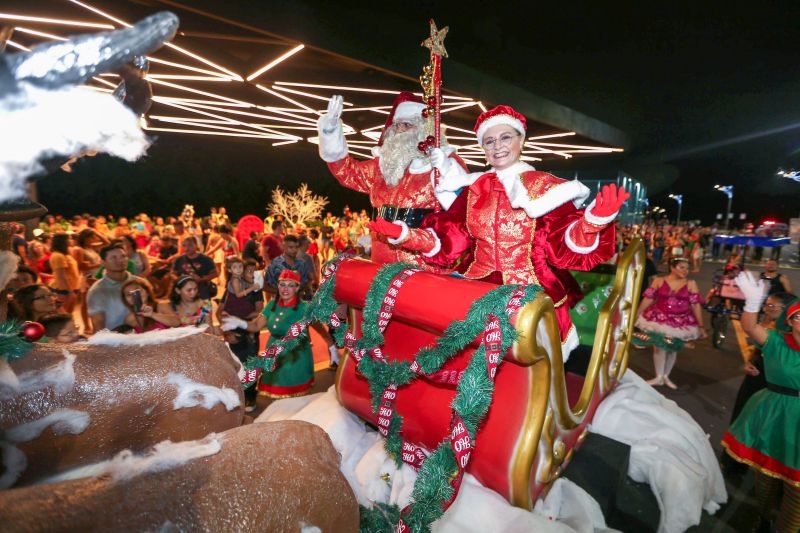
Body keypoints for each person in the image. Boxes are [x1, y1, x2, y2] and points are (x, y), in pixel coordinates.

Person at [369, 105, 626, 354]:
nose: (497, 146)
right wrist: (404, 234)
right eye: (489, 141)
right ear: (483, 148)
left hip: (529, 291)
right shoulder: (474, 188)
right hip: (474, 285)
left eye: (505, 137)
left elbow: (563, 243)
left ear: (520, 140)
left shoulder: (546, 189)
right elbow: (449, 240)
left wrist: (592, 223)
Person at [317, 92, 468, 266]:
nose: (400, 130)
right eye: (396, 126)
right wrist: (330, 132)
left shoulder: (445, 163)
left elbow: (460, 218)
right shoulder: (382, 167)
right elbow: (347, 172)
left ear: (424, 130)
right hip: (379, 264)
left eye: (407, 125)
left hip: (422, 268)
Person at [724, 272, 800, 532]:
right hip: (776, 413)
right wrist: (753, 305)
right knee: (766, 475)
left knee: (797, 488)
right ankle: (765, 517)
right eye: (798, 316)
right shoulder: (777, 341)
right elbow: (749, 327)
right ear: (789, 321)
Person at [239, 269, 314, 398]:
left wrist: (330, 344)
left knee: (294, 399)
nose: (285, 289)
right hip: (273, 352)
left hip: (296, 356)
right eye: (282, 284)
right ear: (278, 286)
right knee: (276, 399)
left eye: (291, 285)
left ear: (297, 288)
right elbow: (256, 325)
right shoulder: (272, 304)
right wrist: (239, 323)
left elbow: (319, 326)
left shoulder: (305, 308)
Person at [635, 258, 707, 389]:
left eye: (687, 268)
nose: (685, 271)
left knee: (673, 349)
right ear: (672, 268)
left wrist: (701, 326)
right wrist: (638, 313)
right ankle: (659, 377)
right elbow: (648, 299)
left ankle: (666, 376)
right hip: (659, 319)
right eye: (682, 267)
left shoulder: (691, 283)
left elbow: (696, 305)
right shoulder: (658, 281)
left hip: (681, 321)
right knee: (659, 347)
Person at [87, 243, 139, 332]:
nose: (120, 260)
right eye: (114, 257)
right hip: (116, 339)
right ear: (103, 262)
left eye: (123, 256)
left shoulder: (139, 283)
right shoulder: (97, 291)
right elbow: (98, 324)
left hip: (143, 335)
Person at [265, 235, 312, 300]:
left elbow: (306, 284)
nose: (294, 250)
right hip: (279, 304)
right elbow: (266, 287)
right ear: (283, 247)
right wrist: (285, 292)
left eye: (296, 247)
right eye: (291, 247)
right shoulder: (275, 264)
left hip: (298, 304)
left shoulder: (302, 264)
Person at [171, 236, 219, 301]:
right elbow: (172, 273)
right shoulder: (179, 260)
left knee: (204, 310)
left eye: (190, 245)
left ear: (196, 245)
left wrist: (202, 279)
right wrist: (181, 280)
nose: (187, 248)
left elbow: (215, 273)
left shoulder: (205, 259)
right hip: (185, 295)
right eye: (184, 246)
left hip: (202, 293)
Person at [48, 232, 81, 314]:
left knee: (69, 313)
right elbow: (61, 276)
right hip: (63, 289)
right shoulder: (58, 256)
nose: (71, 240)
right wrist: (70, 292)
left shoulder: (65, 254)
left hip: (70, 288)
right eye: (69, 238)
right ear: (63, 241)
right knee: (63, 314)